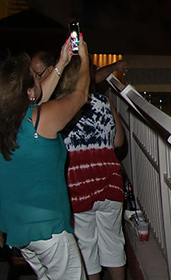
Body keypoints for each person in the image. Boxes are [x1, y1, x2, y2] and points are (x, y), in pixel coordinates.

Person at [0, 35, 90, 280]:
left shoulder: (5, 119)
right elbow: (80, 96)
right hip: (48, 230)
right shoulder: (40, 120)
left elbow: (37, 95)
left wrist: (62, 62)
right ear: (28, 91)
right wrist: (85, 59)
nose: (41, 80)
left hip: (19, 230)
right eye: (36, 78)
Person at [60, 59, 127, 280]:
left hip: (78, 185)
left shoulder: (62, 106)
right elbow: (118, 142)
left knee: (86, 247)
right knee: (113, 242)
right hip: (110, 181)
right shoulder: (104, 102)